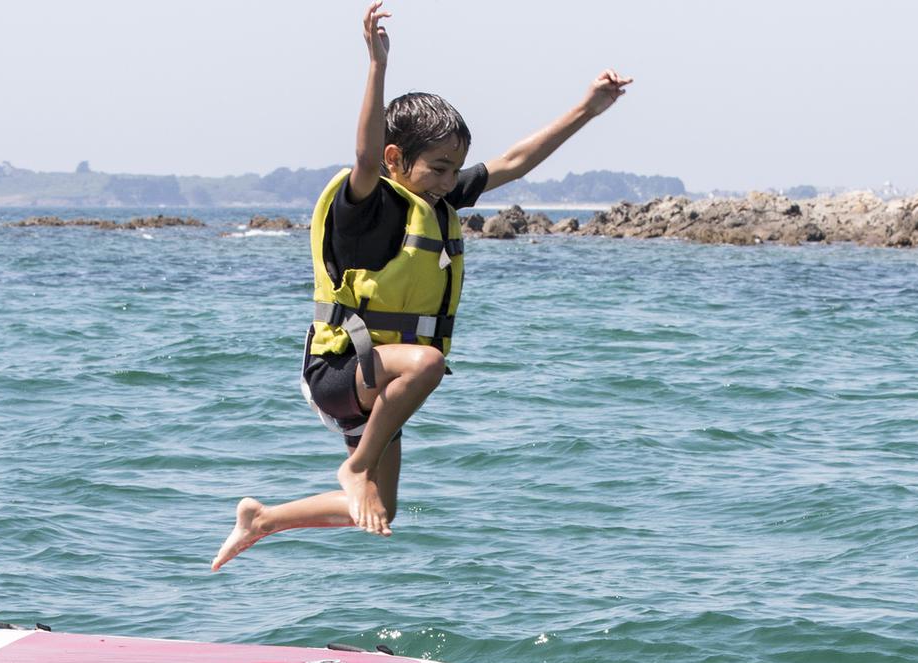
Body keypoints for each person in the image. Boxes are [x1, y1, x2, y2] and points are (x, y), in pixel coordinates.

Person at [211, 2, 632, 569]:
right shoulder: (370, 205)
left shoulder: (439, 196)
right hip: (339, 371)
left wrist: (589, 108)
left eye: (454, 168)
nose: (448, 180)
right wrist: (376, 64)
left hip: (375, 384)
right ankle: (355, 466)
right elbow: (363, 154)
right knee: (428, 364)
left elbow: (515, 160)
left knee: (380, 509)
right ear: (396, 159)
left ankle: (261, 520)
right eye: (436, 167)